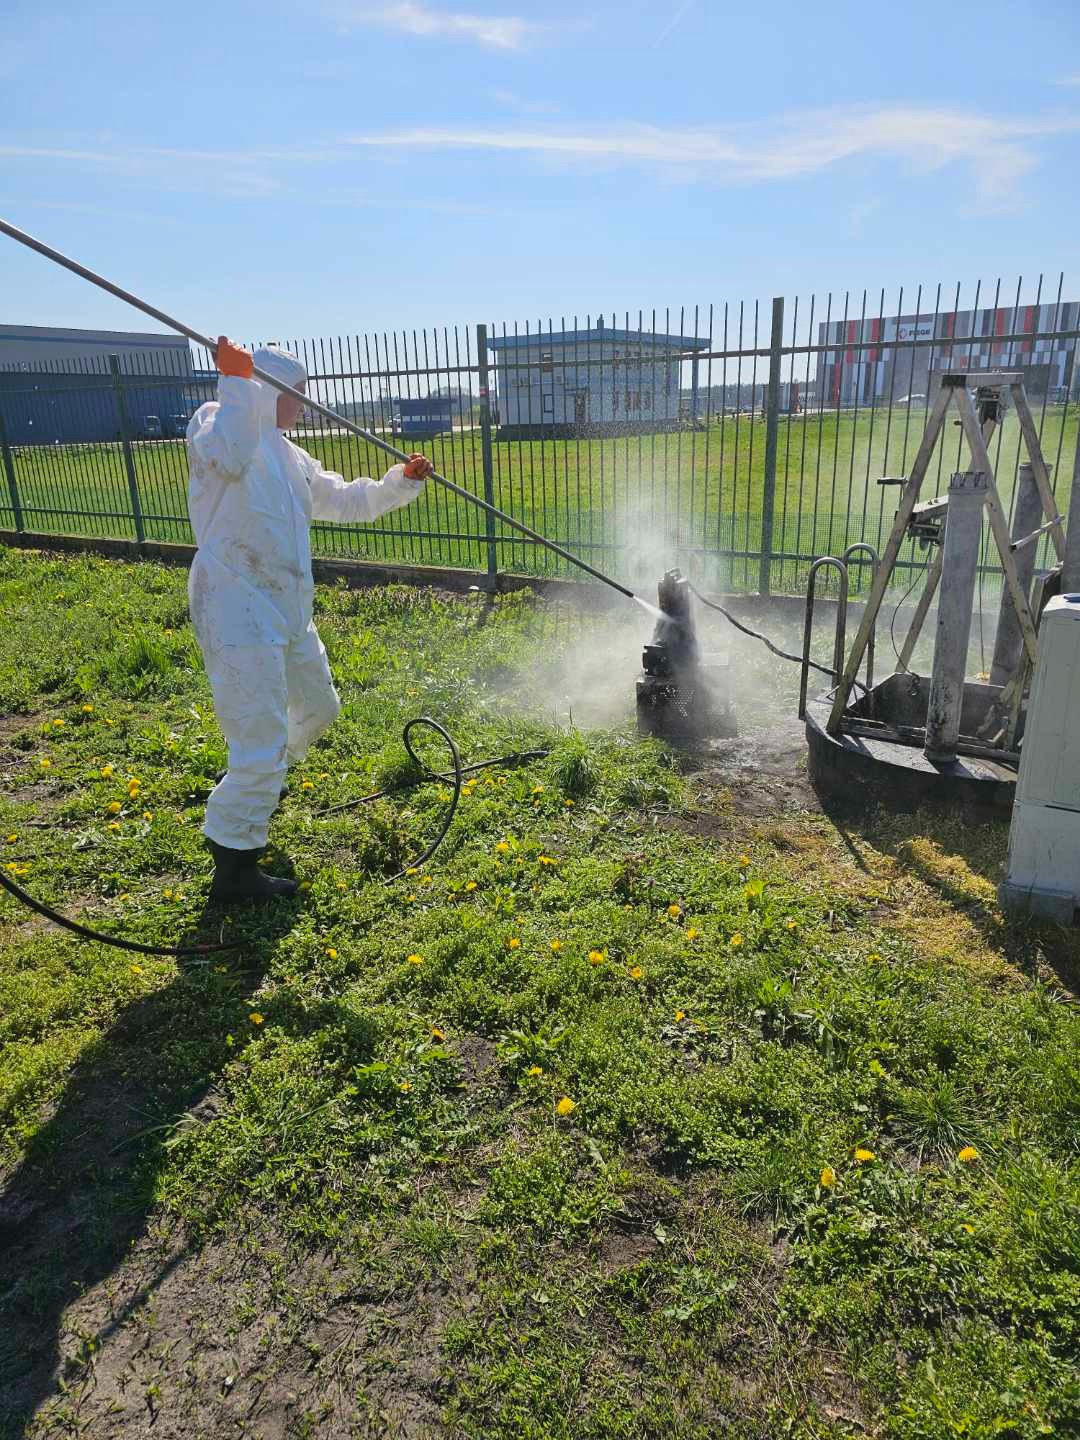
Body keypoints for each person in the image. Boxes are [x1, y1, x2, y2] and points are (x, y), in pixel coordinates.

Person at [185, 337, 433, 902]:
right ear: (265, 390)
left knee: (320, 708)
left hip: (288, 607)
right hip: (236, 604)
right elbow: (231, 455)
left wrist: (401, 480)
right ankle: (234, 865)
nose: (303, 403)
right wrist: (236, 382)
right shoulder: (216, 422)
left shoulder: (291, 457)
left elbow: (345, 500)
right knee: (261, 735)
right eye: (294, 392)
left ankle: (258, 782)